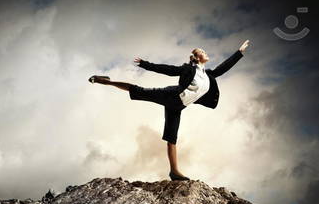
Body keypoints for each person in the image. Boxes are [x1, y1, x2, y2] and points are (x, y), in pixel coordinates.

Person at [88, 40, 250, 181]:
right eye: (203, 52)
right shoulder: (188, 69)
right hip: (171, 95)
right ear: (198, 57)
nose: (207, 54)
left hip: (179, 105)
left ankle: (174, 171)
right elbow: (167, 69)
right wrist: (145, 64)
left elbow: (223, 68)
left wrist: (239, 52)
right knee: (140, 91)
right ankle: (105, 81)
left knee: (172, 137)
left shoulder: (208, 75)